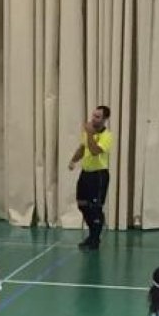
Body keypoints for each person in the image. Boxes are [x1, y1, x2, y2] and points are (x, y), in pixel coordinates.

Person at [67, 105, 114, 250]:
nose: (94, 119)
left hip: (99, 175)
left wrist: (89, 134)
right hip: (86, 173)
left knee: (95, 208)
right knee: (82, 204)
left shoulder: (107, 136)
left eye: (98, 117)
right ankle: (92, 234)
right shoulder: (88, 132)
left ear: (105, 119)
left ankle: (95, 238)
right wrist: (73, 160)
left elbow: (94, 151)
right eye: (93, 115)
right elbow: (83, 148)